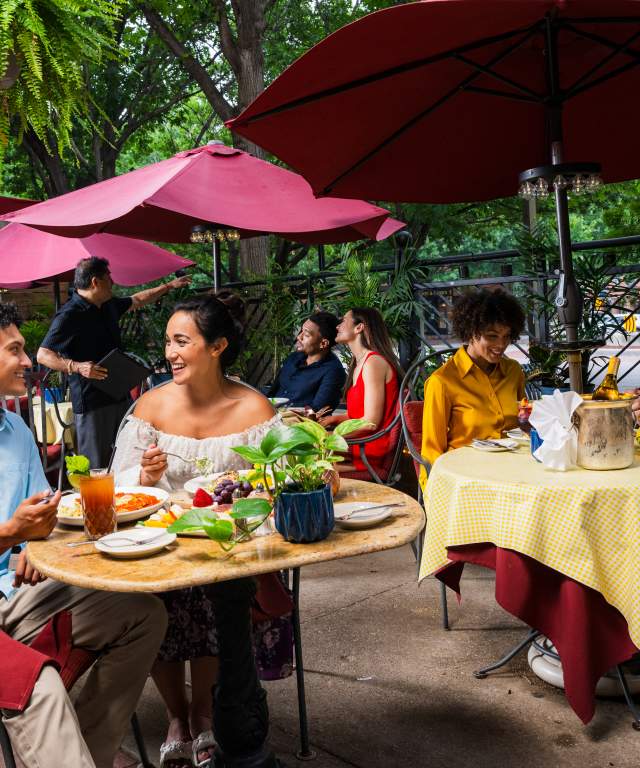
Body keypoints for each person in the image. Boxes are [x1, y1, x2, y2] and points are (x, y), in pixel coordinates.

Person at [111, 293, 280, 768]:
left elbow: (277, 481)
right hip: (160, 545)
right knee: (156, 599)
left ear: (218, 346)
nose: (169, 353)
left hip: (231, 548)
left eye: (181, 341)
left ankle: (205, 712)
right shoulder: (149, 408)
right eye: (167, 342)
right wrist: (143, 478)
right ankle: (176, 716)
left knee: (216, 594)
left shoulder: (254, 407)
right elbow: (120, 486)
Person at [0, 302, 168, 768]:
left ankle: (83, 753)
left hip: (18, 593)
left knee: (144, 614)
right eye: (15, 349)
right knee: (39, 684)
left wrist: (34, 540)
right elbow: (13, 530)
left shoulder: (15, 428)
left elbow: (42, 520)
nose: (29, 360)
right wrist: (8, 536)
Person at [37, 256, 191, 469]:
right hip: (92, 401)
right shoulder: (69, 315)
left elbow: (137, 299)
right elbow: (43, 354)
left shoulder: (107, 305)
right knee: (97, 466)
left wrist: (169, 286)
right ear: (95, 282)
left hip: (119, 393)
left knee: (130, 453)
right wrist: (76, 366)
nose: (113, 282)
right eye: (108, 277)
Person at [419, 288, 526, 488]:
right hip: (467, 479)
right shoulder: (442, 382)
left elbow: (522, 425)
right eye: (492, 336)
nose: (501, 344)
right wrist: (437, 494)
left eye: (506, 336)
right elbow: (431, 451)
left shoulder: (513, 372)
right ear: (470, 333)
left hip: (515, 474)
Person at [320, 307, 402, 475]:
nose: (337, 326)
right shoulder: (360, 363)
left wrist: (331, 436)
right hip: (360, 444)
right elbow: (358, 416)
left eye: (343, 321)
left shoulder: (373, 363)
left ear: (359, 328)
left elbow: (370, 423)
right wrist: (332, 419)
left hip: (369, 450)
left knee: (305, 466)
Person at [269, 311, 346, 412]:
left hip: (299, 424)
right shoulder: (293, 358)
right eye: (301, 331)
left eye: (306, 334)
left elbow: (317, 411)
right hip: (269, 418)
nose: (299, 337)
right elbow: (272, 393)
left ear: (323, 343)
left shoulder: (333, 371)